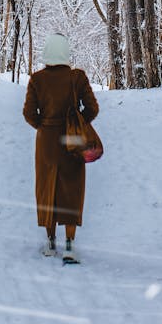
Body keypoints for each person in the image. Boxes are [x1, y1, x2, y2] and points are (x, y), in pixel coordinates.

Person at [22, 33, 99, 263]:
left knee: (48, 188)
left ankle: (50, 241)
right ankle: (69, 244)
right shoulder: (78, 77)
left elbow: (28, 113)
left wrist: (44, 126)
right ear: (66, 53)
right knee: (71, 188)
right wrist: (77, 123)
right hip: (72, 141)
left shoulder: (37, 80)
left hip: (46, 140)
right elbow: (93, 108)